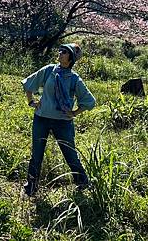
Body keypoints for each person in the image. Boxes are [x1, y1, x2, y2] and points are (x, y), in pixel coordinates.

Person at [21, 43, 96, 197]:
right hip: (41, 118)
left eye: (65, 52)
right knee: (37, 154)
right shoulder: (49, 70)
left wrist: (74, 113)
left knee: (70, 154)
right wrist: (31, 102)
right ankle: (31, 186)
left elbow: (89, 100)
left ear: (71, 59)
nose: (60, 53)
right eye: (60, 50)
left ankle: (83, 183)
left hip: (63, 121)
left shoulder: (74, 78)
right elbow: (29, 83)